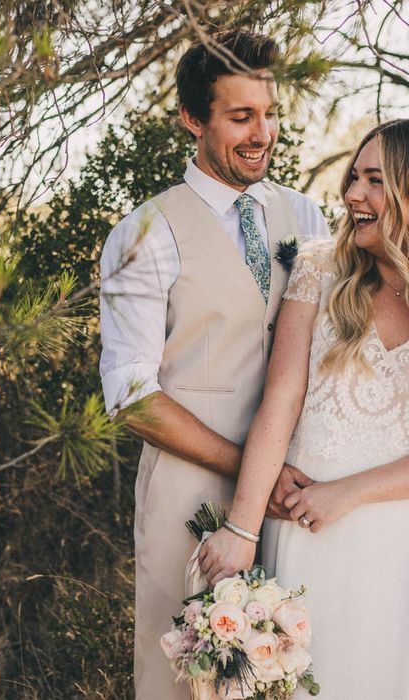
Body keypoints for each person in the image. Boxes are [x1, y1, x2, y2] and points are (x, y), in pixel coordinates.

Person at [98, 30, 330, 699]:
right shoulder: (145, 234)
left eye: (269, 113)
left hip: (301, 496)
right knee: (185, 681)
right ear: (192, 119)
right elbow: (132, 396)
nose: (263, 133)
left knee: (300, 670)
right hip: (189, 499)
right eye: (240, 117)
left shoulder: (307, 216)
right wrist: (255, 473)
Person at [199, 119, 409, 697]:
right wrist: (241, 529)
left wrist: (351, 491)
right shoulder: (320, 269)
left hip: (396, 547)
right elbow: (280, 400)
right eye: (353, 178)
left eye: (374, 181)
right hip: (304, 534)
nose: (352, 196)